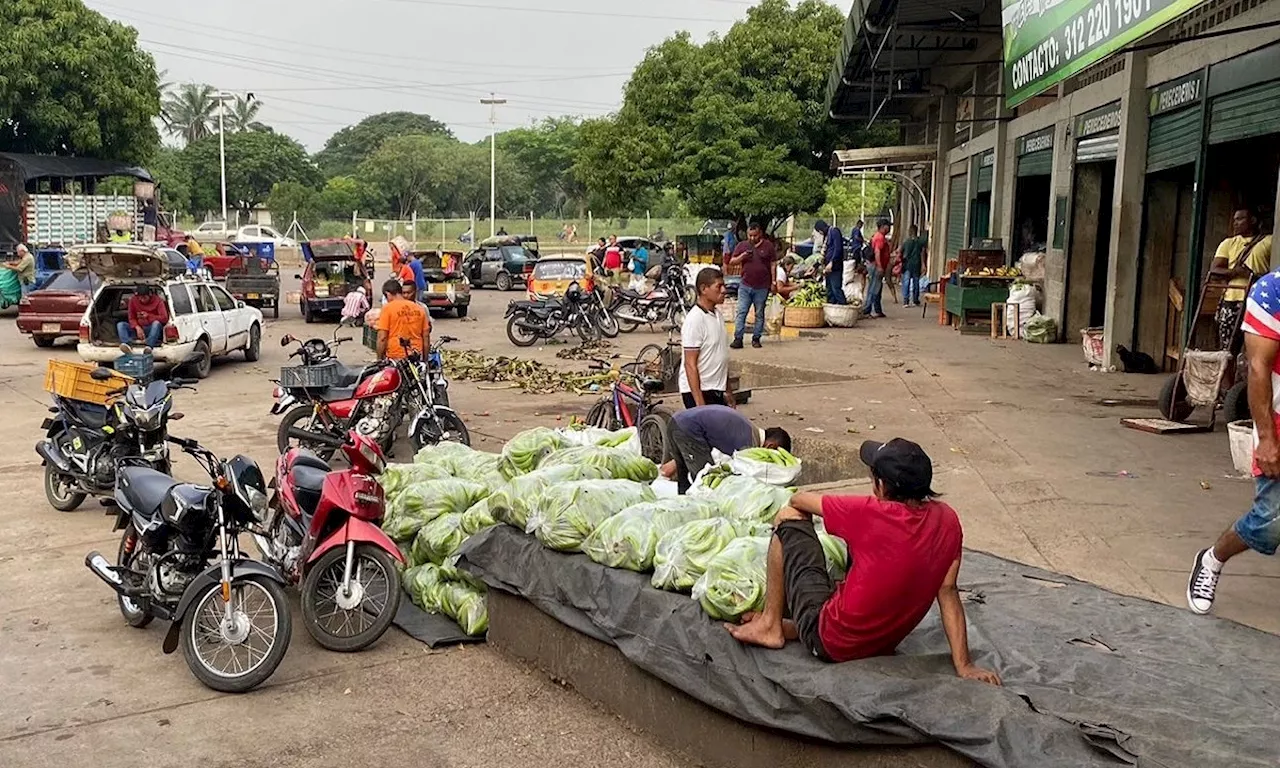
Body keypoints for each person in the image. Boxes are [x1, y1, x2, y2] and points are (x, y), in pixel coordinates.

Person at [725, 438, 1001, 685]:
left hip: (831, 644)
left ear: (880, 485)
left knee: (790, 518)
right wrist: (964, 665)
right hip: (882, 644)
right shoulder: (948, 519)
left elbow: (798, 499)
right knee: (862, 560)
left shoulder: (870, 512)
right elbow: (948, 592)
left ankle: (770, 625)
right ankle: (796, 626)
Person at [1189, 268, 1280, 615]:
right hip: (1278, 420)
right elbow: (1258, 368)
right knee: (1271, 522)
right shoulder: (1272, 292)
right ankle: (1211, 560)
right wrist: (1267, 439)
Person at [666, 405, 792, 494]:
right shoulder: (749, 442)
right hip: (689, 429)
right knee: (703, 478)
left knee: (683, 473)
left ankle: (683, 503)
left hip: (676, 420)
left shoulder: (748, 428)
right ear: (770, 446)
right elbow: (742, 472)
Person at [1210, 208, 1272, 352]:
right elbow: (1214, 270)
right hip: (1232, 301)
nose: (1235, 223)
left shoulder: (1269, 241)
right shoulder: (1228, 243)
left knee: (1257, 350)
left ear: (1253, 221)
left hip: (1258, 301)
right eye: (1234, 220)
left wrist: (1253, 276)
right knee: (1227, 351)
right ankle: (1228, 375)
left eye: (1240, 219)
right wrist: (1236, 272)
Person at [679, 268, 734, 409]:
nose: (723, 290)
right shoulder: (695, 320)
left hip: (717, 389)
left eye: (724, 286)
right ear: (704, 289)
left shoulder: (717, 316)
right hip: (700, 391)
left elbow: (721, 357)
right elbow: (690, 364)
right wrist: (699, 404)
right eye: (718, 286)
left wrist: (728, 390)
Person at [729, 222, 777, 349]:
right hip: (745, 285)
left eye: (754, 235)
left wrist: (774, 282)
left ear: (760, 233)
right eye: (750, 235)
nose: (752, 238)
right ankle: (738, 338)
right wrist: (742, 256)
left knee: (759, 313)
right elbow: (732, 261)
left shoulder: (768, 246)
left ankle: (756, 338)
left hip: (762, 286)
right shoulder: (742, 245)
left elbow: (773, 264)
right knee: (742, 312)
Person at [376, 279, 430, 361]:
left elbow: (382, 338)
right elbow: (426, 337)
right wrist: (425, 360)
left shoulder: (387, 308)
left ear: (388, 294)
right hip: (416, 356)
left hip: (396, 357)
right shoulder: (419, 308)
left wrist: (379, 359)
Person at [863, 219, 891, 319]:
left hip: (876, 265)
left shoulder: (879, 237)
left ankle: (877, 309)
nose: (889, 228)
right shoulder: (879, 238)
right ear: (883, 226)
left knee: (877, 288)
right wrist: (879, 266)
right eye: (888, 226)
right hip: (875, 266)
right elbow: (877, 252)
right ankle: (867, 309)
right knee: (874, 288)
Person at [816, 220, 846, 305]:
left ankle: (843, 306)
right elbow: (824, 252)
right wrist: (816, 265)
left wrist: (832, 262)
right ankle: (832, 307)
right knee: (829, 290)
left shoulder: (834, 231)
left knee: (836, 288)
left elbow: (838, 249)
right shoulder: (826, 236)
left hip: (835, 266)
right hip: (828, 267)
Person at [900, 225, 928, 307]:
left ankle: (906, 301)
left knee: (906, 282)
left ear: (910, 231)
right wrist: (923, 264)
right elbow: (922, 253)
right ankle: (915, 300)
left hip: (908, 264)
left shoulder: (906, 242)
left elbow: (902, 253)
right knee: (916, 282)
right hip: (917, 264)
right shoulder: (920, 242)